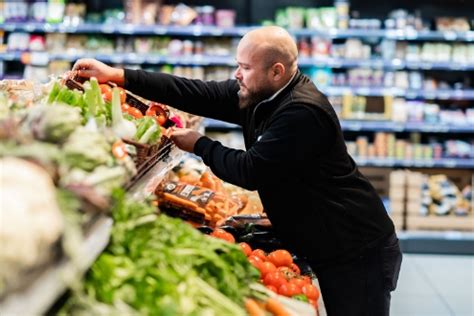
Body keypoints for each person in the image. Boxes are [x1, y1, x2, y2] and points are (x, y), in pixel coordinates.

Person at [72, 26, 402, 316]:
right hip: (330, 241)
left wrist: (199, 145)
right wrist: (119, 76)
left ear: (276, 71)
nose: (236, 74)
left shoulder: (301, 111)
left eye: (244, 67)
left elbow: (250, 170)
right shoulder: (263, 94)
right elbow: (194, 92)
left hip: (356, 250)